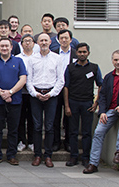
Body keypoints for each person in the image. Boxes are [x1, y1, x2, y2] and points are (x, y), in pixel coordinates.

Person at [83, 50, 119, 174]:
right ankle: (93, 163)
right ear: (112, 61)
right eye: (115, 60)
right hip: (111, 110)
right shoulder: (109, 77)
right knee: (98, 131)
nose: (118, 62)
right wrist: (102, 112)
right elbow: (103, 96)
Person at [26, 33, 64, 168]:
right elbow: (28, 80)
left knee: (49, 126)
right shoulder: (32, 59)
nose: (43, 43)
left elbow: (61, 80)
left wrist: (52, 94)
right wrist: (35, 94)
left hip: (51, 95)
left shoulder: (57, 58)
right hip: (36, 95)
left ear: (50, 42)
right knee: (36, 126)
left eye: (46, 40)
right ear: (37, 43)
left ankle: (48, 155)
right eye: (41, 40)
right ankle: (37, 155)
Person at [0, 38, 27, 165]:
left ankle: (11, 155)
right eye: (2, 46)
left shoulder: (19, 61)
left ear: (11, 47)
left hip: (14, 100)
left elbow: (22, 79)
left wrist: (10, 92)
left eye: (7, 46)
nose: (4, 48)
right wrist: (2, 93)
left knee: (13, 129)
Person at [64, 43, 102, 168]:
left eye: (84, 52)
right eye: (79, 52)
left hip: (87, 103)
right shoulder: (70, 68)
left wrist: (96, 102)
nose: (81, 54)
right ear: (76, 53)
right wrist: (67, 106)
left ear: (88, 53)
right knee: (73, 132)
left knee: (86, 132)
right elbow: (66, 87)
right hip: (73, 102)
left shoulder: (94, 68)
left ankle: (86, 157)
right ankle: (73, 156)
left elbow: (100, 85)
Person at [52, 29, 77, 152]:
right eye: (61, 38)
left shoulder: (76, 55)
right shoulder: (54, 53)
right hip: (56, 88)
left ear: (70, 40)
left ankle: (68, 142)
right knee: (55, 117)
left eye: (66, 38)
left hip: (71, 89)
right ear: (58, 40)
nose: (64, 40)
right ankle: (56, 142)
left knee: (69, 118)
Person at [15, 34, 36, 153]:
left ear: (33, 43)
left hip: (34, 93)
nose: (27, 43)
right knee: (21, 117)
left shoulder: (38, 57)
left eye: (30, 41)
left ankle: (32, 141)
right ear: (21, 44)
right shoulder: (17, 58)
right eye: (25, 41)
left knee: (32, 118)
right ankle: (21, 140)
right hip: (20, 92)